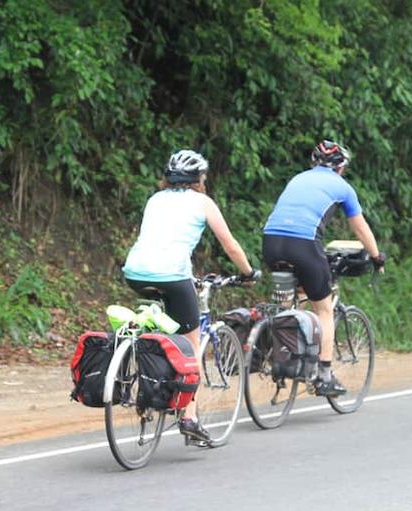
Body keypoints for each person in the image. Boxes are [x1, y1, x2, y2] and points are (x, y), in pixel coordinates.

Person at [122, 149, 257, 443]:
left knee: (161, 326)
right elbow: (231, 246)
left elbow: (161, 240)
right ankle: (190, 417)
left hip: (134, 273)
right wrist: (247, 273)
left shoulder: (155, 199)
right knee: (191, 341)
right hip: (172, 276)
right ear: (198, 178)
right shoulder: (202, 202)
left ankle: (151, 378)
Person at [262, 140, 386, 397]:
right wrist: (376, 257)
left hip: (271, 242)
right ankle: (324, 376)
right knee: (324, 309)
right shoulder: (343, 187)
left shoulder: (297, 179)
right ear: (341, 168)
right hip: (303, 245)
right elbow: (360, 227)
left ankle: (280, 356)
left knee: (290, 300)